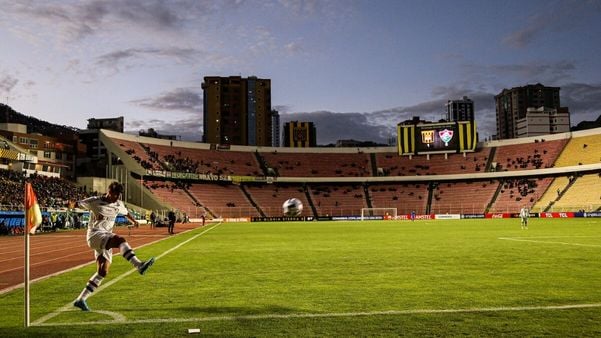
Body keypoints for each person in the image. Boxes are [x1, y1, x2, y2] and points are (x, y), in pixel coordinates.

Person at [73, 182, 155, 312]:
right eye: (114, 195)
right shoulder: (94, 201)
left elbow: (126, 212)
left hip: (106, 236)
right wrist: (72, 203)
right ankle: (138, 265)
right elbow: (77, 203)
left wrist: (134, 221)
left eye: (118, 195)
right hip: (94, 235)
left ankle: (80, 299)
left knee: (103, 271)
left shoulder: (118, 204)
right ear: (108, 192)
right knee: (120, 240)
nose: (115, 198)